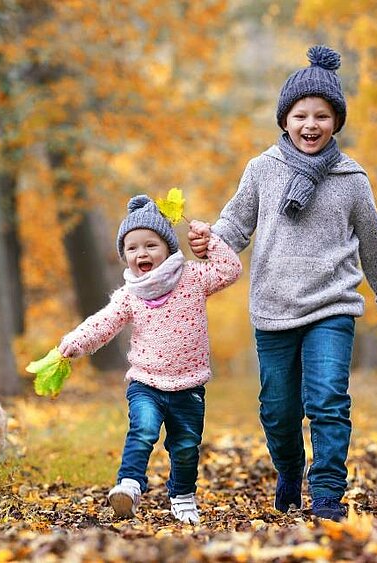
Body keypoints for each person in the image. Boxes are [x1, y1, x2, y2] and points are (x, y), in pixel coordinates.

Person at [188, 45, 377, 521]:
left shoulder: (352, 179)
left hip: (332, 306)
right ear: (284, 120)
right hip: (273, 308)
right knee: (278, 409)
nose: (311, 125)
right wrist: (210, 239)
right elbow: (234, 225)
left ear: (336, 122)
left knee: (328, 398)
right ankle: (289, 470)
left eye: (322, 116)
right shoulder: (262, 170)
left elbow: (375, 246)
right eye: (301, 115)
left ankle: (328, 492)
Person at [58, 194, 242, 524]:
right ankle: (129, 485)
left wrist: (210, 240)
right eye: (132, 248)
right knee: (142, 430)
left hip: (188, 386)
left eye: (150, 245)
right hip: (146, 382)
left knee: (185, 447)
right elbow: (104, 323)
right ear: (124, 256)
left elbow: (230, 270)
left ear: (168, 248)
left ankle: (183, 495)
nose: (142, 253)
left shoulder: (193, 278)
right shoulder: (130, 294)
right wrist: (76, 342)